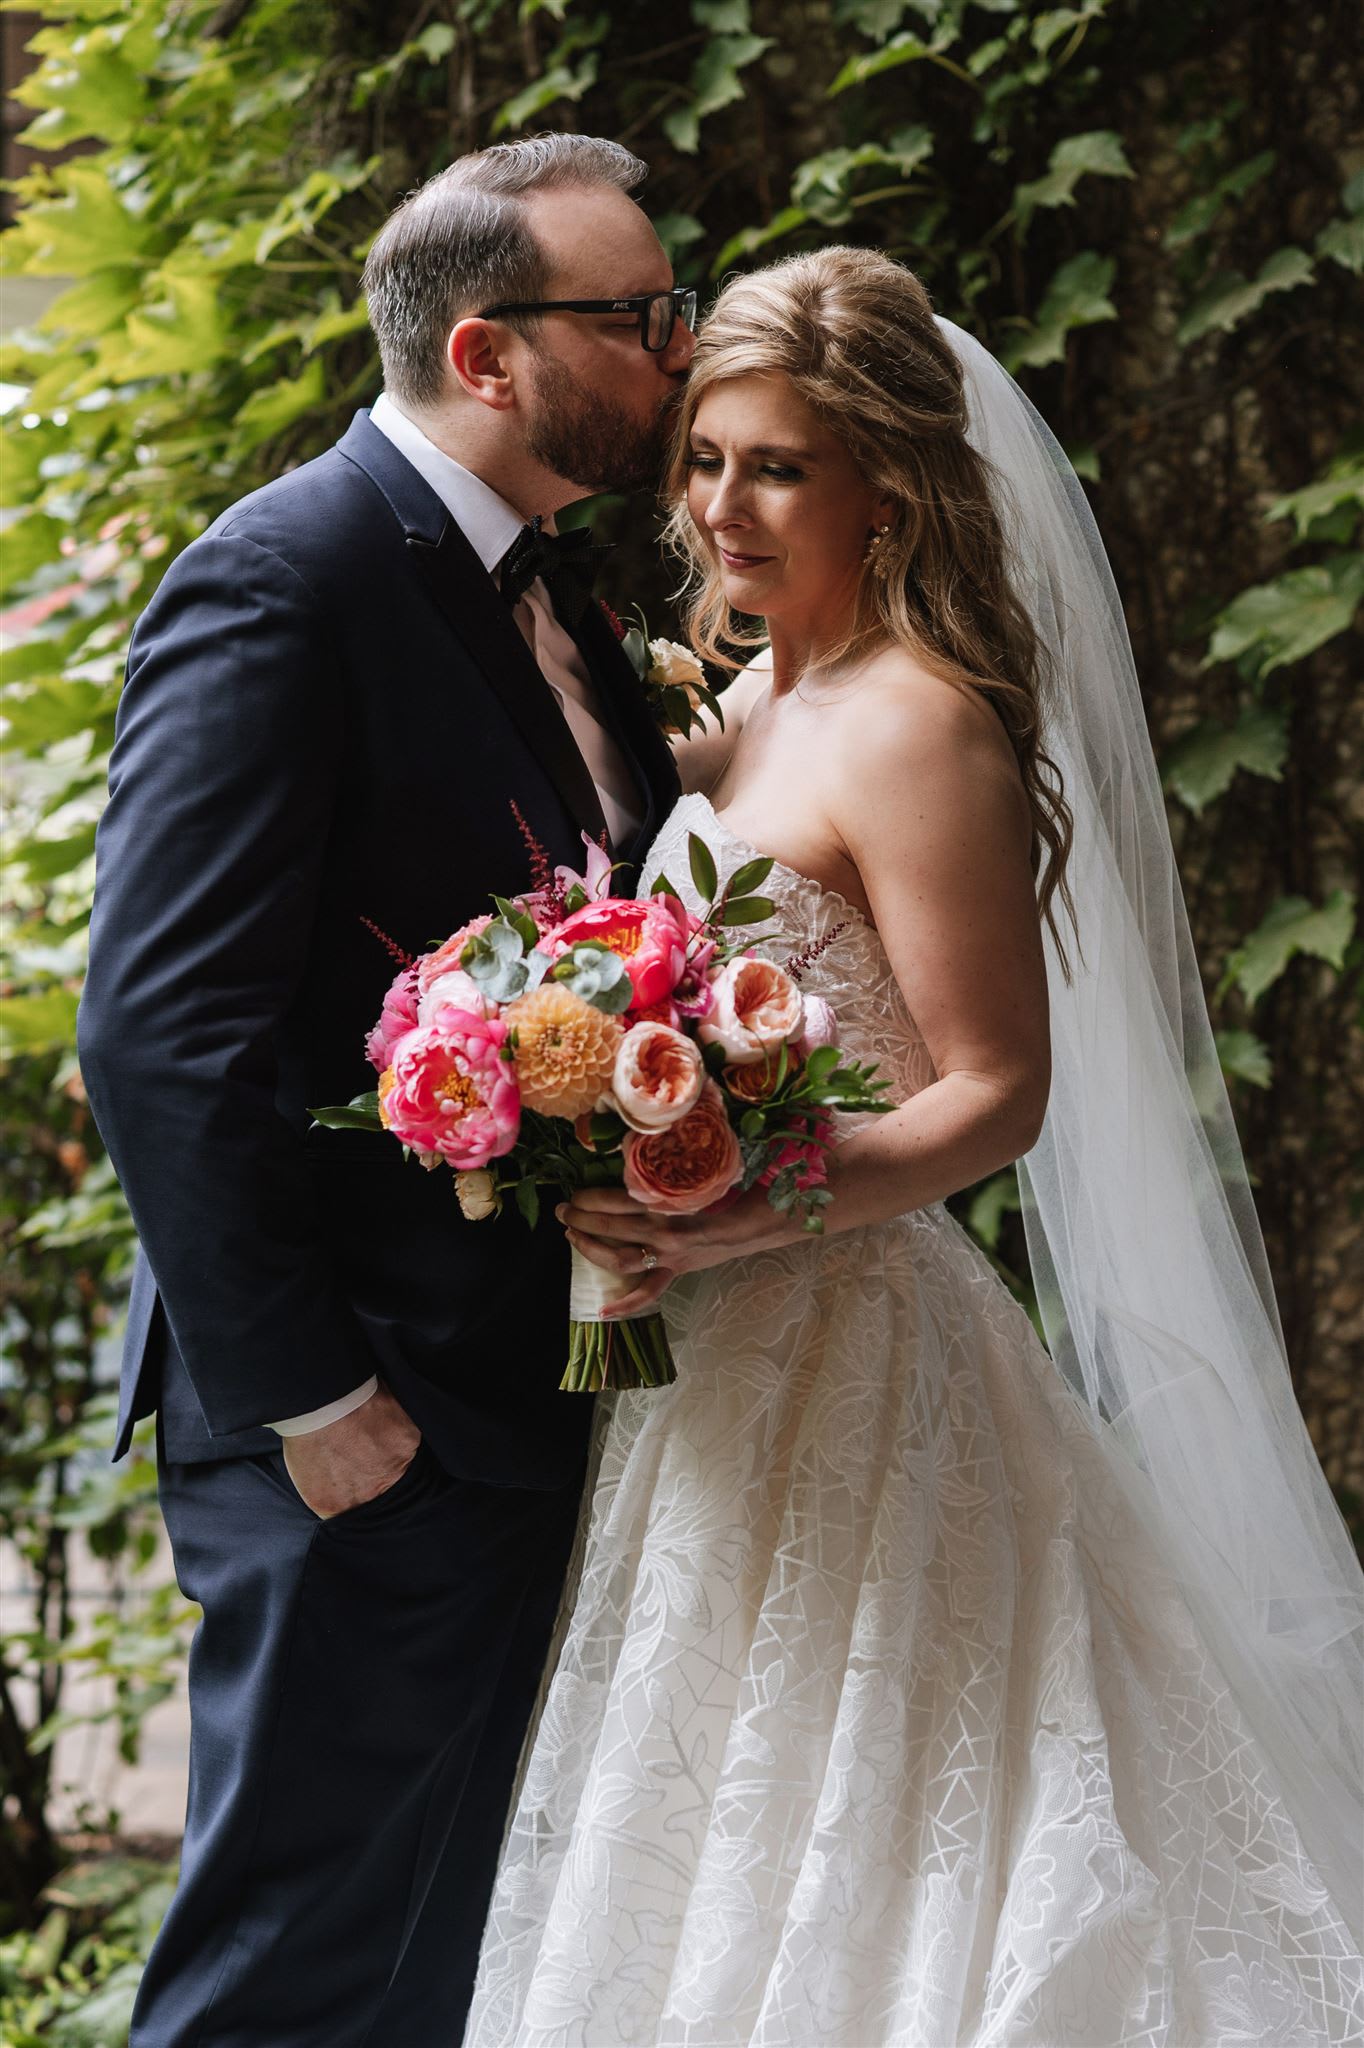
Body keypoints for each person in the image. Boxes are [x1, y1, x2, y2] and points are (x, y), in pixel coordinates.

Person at [465, 248, 1364, 2046]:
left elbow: (994, 1090)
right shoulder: (741, 705)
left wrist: (745, 1209)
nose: (722, 505)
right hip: (698, 1366)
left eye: (779, 468)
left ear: (888, 487)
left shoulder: (921, 725)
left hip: (854, 1349)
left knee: (897, 1800)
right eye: (706, 459)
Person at [76, 134, 692, 2046]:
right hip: (360, 1423)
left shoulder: (551, 593)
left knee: (446, 1969)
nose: (676, 348)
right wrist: (321, 1405)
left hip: (515, 1395)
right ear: (490, 354)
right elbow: (161, 1028)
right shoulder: (285, 576)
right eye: (639, 315)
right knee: (291, 1980)